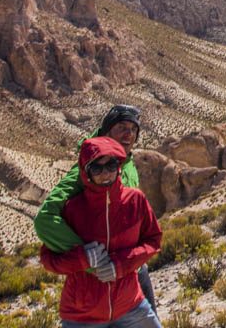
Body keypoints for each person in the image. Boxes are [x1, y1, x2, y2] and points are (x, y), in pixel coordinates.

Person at [35, 105, 158, 312]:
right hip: (103, 280)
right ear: (107, 130)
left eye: (133, 129)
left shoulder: (125, 162)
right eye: (121, 127)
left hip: (132, 269)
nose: (128, 134)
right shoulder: (88, 170)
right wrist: (92, 258)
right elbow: (45, 219)